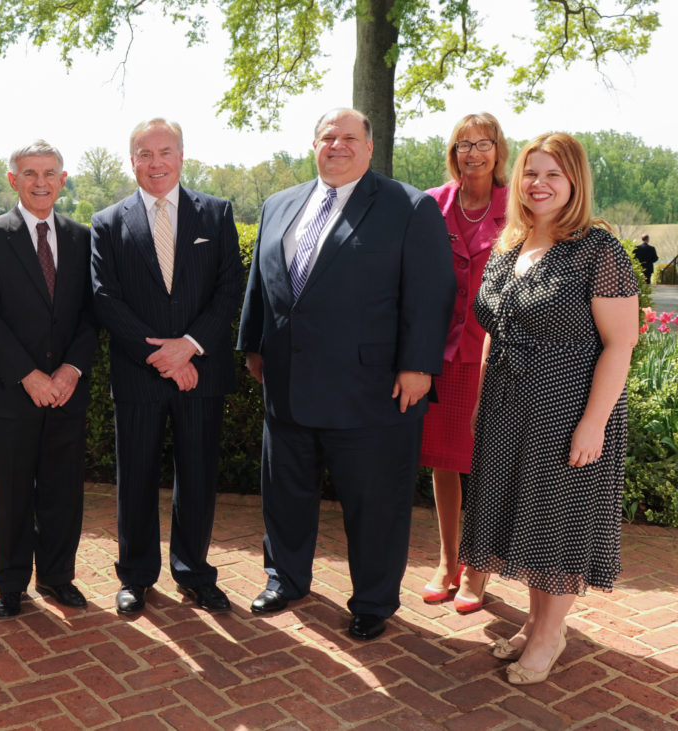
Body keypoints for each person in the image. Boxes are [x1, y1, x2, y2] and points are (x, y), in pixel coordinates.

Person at [237, 108, 455, 640]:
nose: (338, 145)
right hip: (286, 384)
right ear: (313, 144)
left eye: (350, 137)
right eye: (327, 137)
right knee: (284, 491)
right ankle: (284, 578)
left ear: (370, 146)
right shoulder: (279, 204)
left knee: (374, 502)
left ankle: (374, 601)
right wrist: (252, 344)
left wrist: (419, 366)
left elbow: (431, 293)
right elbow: (261, 284)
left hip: (373, 390)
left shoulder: (409, 207)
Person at [459, 133, 639, 684]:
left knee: (555, 522)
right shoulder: (510, 245)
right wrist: (480, 398)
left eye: (553, 174)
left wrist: (593, 423)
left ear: (574, 183)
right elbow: (495, 329)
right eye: (531, 172)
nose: (540, 183)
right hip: (508, 404)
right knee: (525, 518)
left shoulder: (598, 249)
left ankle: (547, 635)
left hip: (567, 406)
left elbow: (620, 343)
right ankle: (542, 624)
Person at [91, 118, 242, 614]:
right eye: (144, 153)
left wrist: (191, 346)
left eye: (165, 151)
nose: (155, 163)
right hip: (140, 373)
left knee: (197, 475)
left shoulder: (216, 214)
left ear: (182, 155)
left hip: (202, 370)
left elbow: (228, 290)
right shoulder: (108, 222)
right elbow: (105, 297)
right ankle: (135, 576)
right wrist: (165, 358)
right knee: (134, 477)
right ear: (131, 159)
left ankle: (194, 573)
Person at [0, 141, 96, 618]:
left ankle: (59, 578)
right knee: (13, 493)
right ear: (13, 180)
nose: (41, 182)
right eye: (30, 173)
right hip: (9, 393)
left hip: (66, 392)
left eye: (50, 173)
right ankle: (12, 584)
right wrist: (29, 375)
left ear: (63, 180)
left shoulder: (83, 237)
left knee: (63, 491)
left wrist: (69, 371)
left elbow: (89, 314)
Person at [419, 113, 509, 613]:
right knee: (442, 461)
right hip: (442, 353)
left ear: (499, 151)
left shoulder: (516, 206)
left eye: (483, 143)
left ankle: (479, 567)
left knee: (488, 465)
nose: (472, 154)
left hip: (496, 353)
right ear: (452, 153)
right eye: (462, 145)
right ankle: (447, 560)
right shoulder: (432, 204)